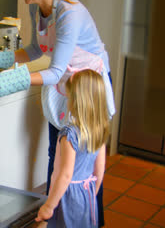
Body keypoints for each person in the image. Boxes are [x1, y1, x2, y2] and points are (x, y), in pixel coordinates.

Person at [0, 0, 115, 226]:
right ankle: (51, 214)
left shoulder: (70, 13)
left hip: (88, 88)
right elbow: (36, 50)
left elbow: (55, 71)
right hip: (65, 83)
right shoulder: (36, 7)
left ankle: (90, 219)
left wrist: (17, 78)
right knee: (55, 153)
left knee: (85, 161)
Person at [35, 69, 109, 227]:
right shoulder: (99, 129)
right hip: (86, 192)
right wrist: (90, 193)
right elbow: (99, 170)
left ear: (75, 101)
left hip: (67, 195)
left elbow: (65, 175)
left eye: (68, 96)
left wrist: (49, 206)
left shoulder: (68, 134)